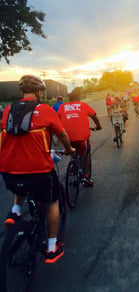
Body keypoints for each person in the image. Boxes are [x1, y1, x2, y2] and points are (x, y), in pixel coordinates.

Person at [0, 75, 75, 264]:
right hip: (38, 171)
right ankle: (51, 248)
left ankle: (15, 210)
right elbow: (62, 134)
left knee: (19, 183)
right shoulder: (45, 110)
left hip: (8, 169)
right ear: (40, 92)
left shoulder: (8, 109)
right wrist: (69, 149)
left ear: (20, 92)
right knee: (52, 203)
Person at [58, 89, 102, 187]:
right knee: (86, 153)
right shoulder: (83, 105)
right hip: (82, 138)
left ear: (69, 99)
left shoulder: (62, 107)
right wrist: (98, 126)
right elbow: (94, 116)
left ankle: (73, 167)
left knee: (72, 149)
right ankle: (85, 176)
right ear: (79, 98)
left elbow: (57, 120)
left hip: (67, 138)